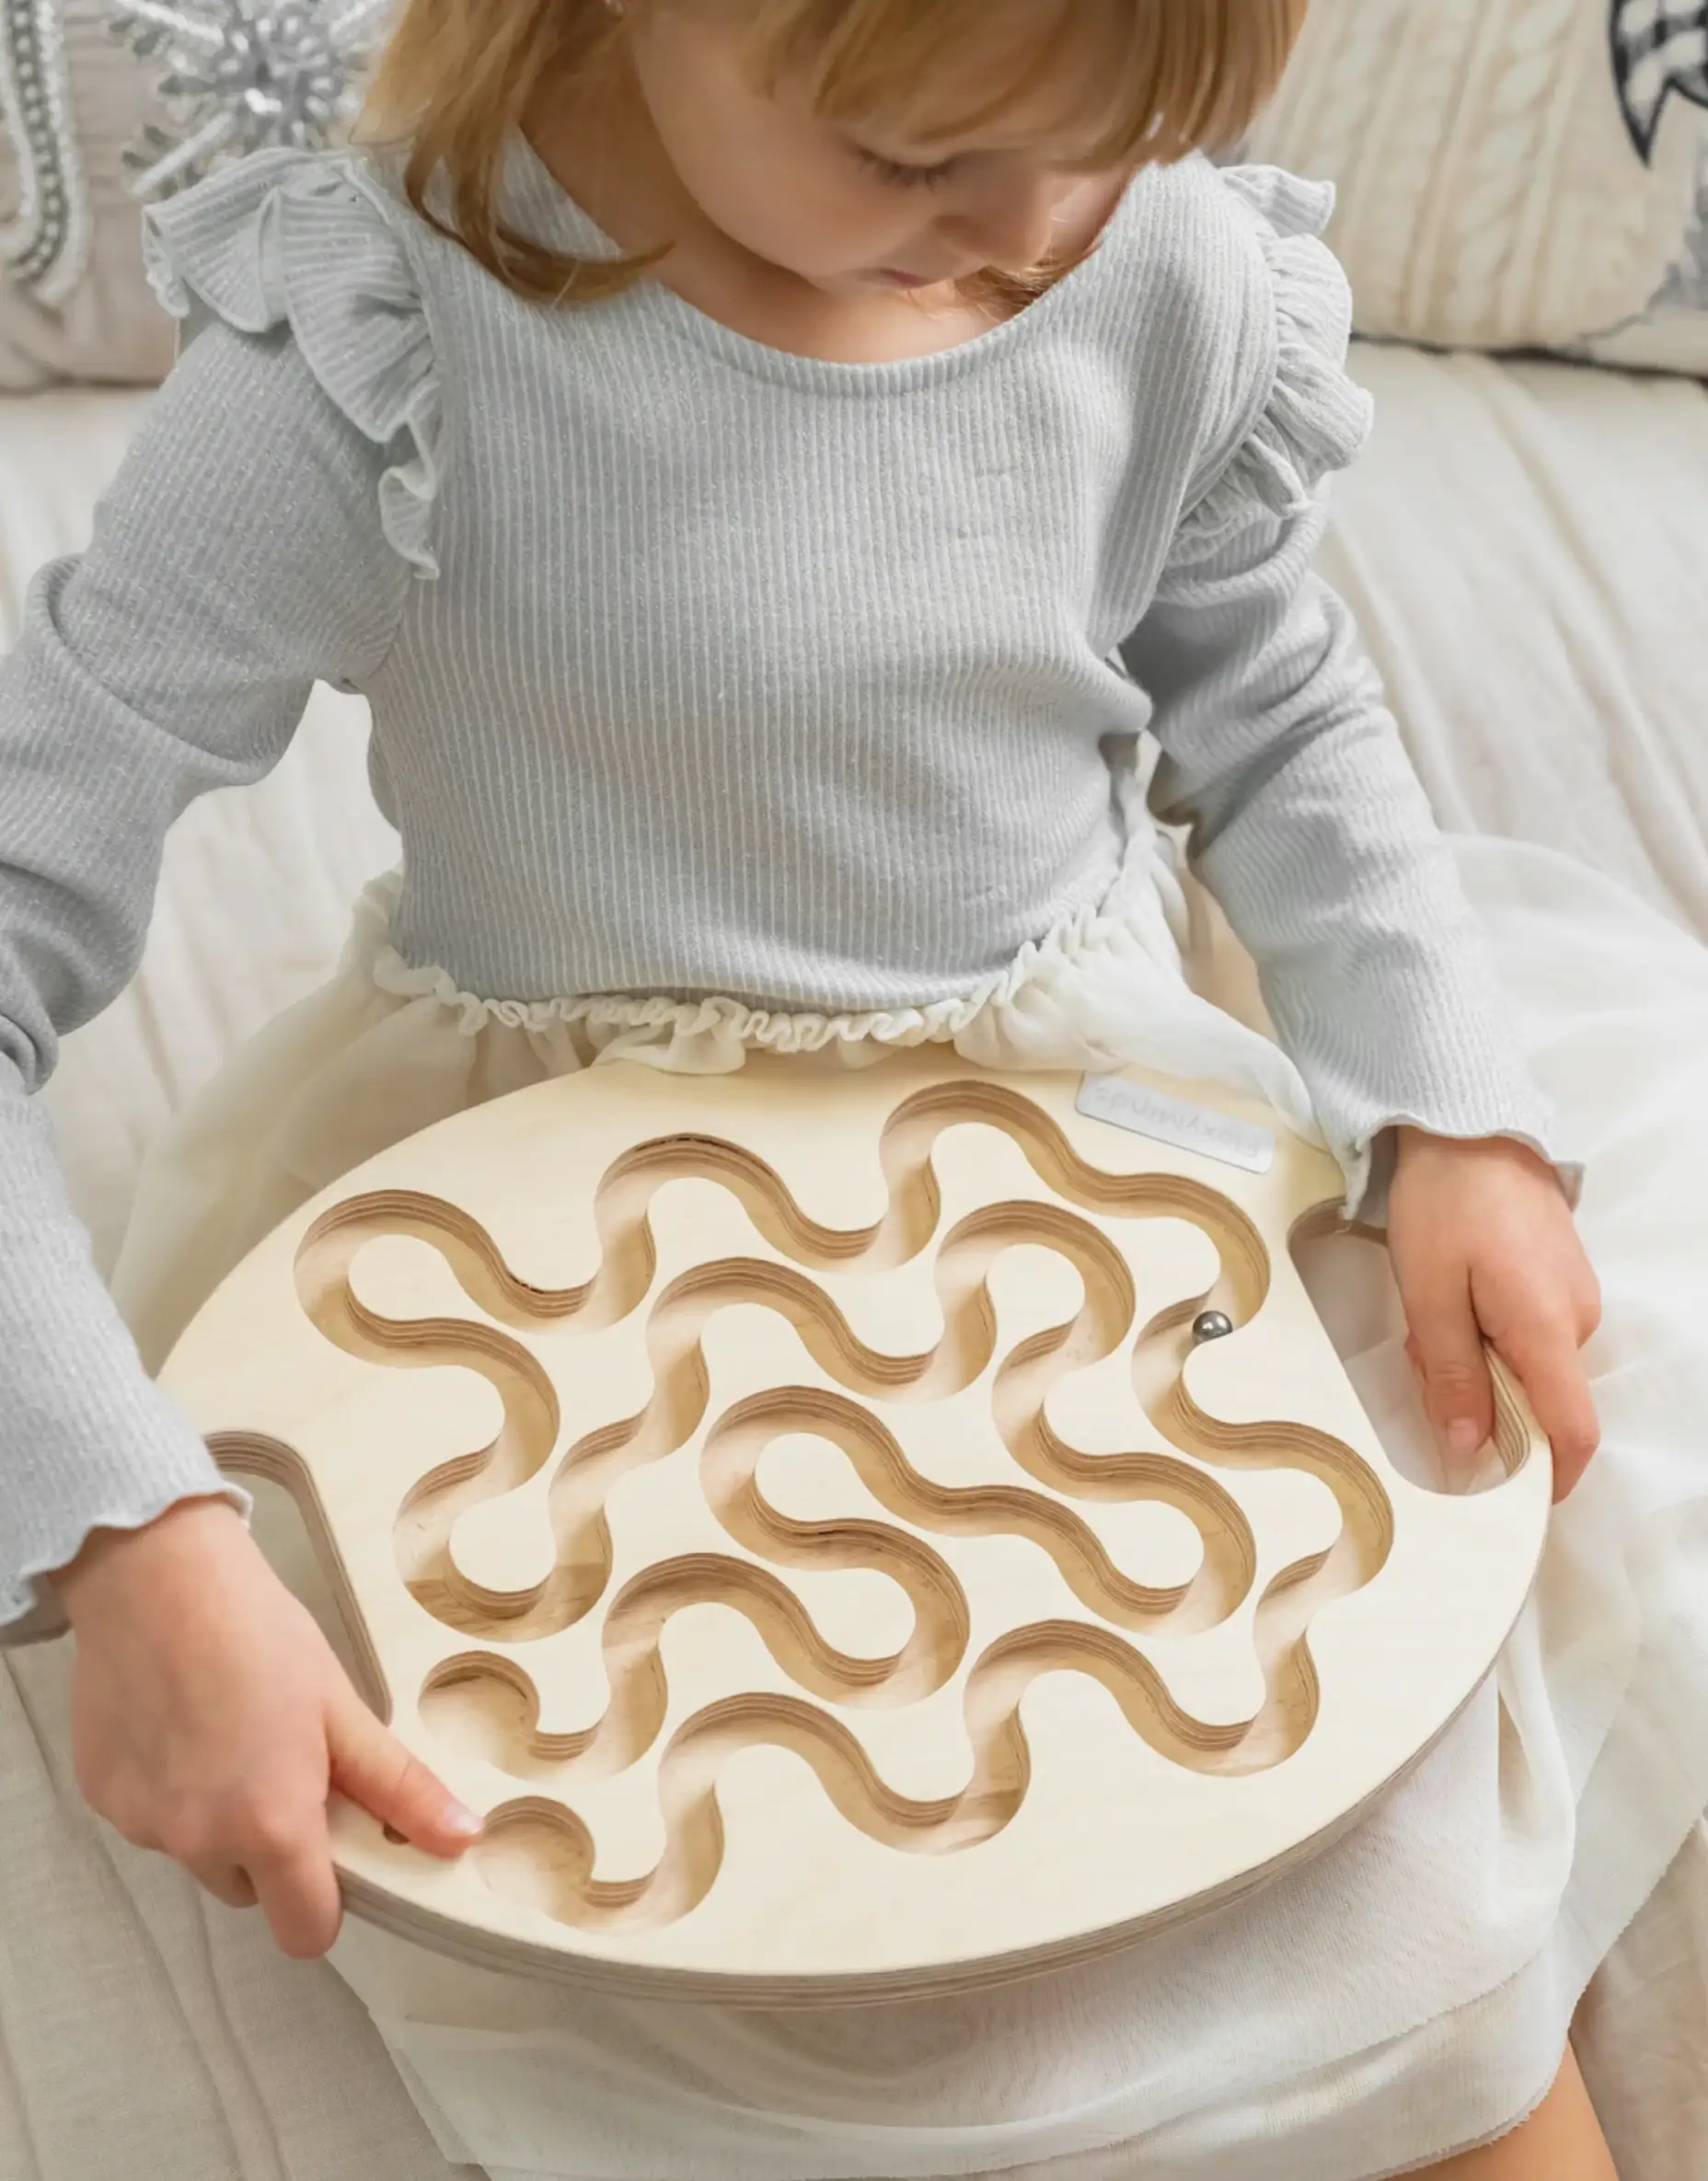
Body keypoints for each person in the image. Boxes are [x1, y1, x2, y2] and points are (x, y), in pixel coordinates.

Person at [3, 0, 1703, 2174]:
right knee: (754, 1973)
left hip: (1099, 1193)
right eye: (921, 161)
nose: (1032, 234)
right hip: (565, 1291)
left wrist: (1445, 1107)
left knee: (1395, 1950)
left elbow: (1272, 715)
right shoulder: (378, 336)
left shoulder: (1148, 264)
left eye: (1118, 142)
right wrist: (129, 1526)